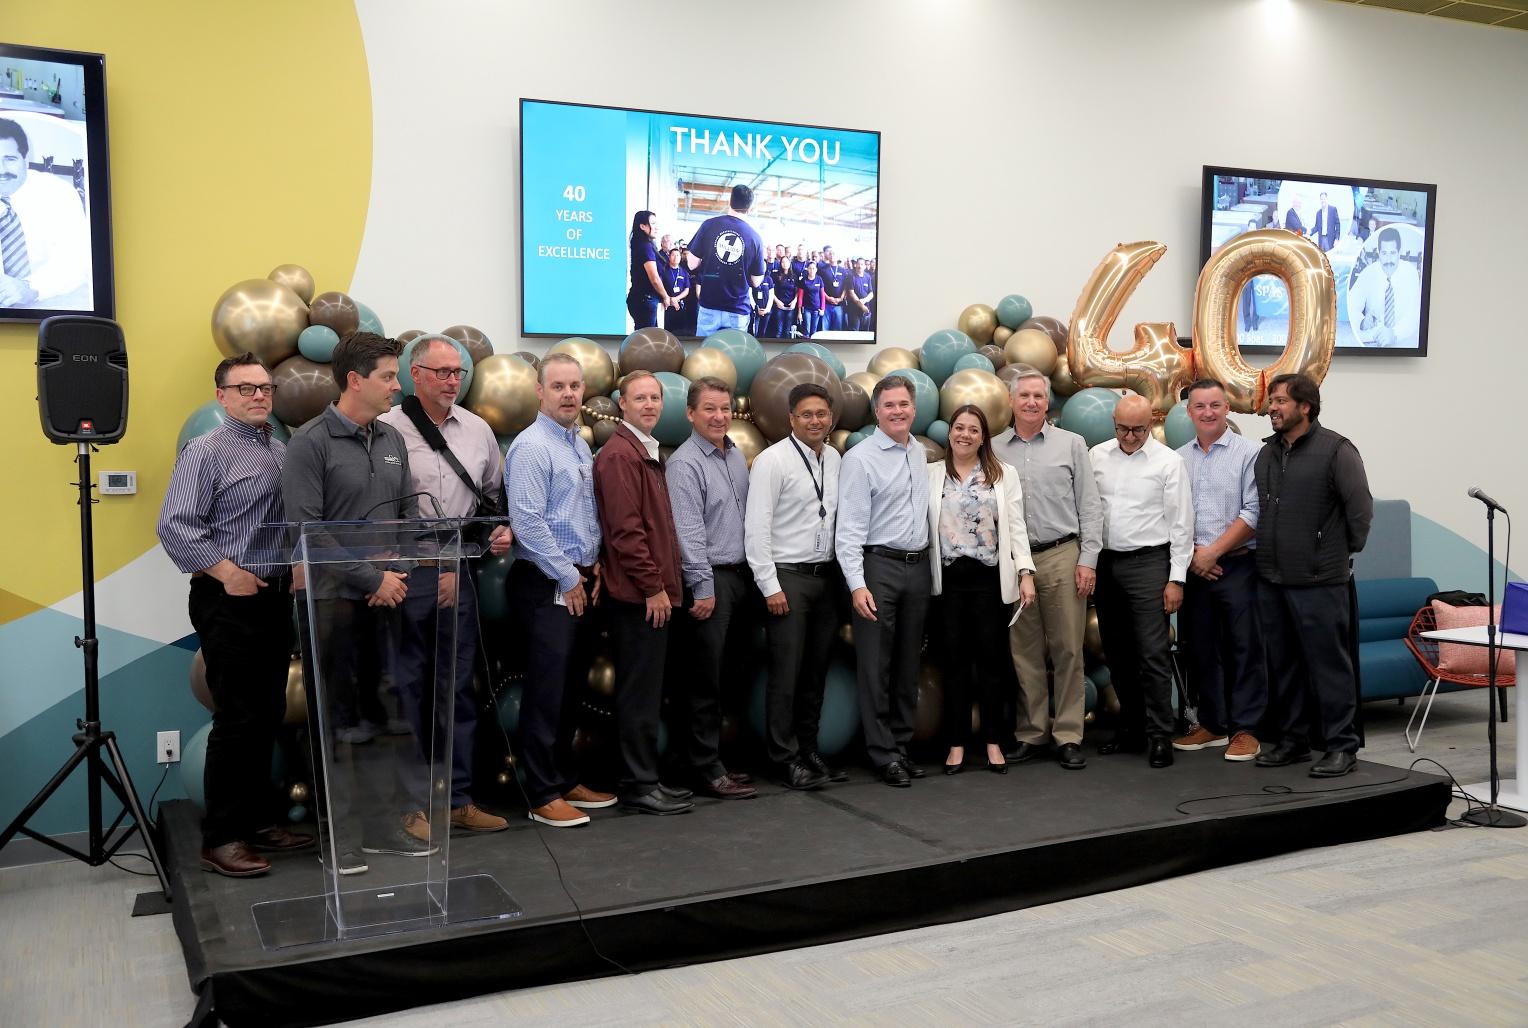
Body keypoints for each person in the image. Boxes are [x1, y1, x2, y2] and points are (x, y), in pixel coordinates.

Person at [157, 352, 311, 878]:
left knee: (267, 715)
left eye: (265, 387)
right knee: (237, 719)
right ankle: (221, 839)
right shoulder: (206, 451)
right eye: (246, 388)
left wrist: (295, 563)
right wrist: (228, 573)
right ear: (221, 396)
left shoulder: (278, 450)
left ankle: (258, 822)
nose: (258, 396)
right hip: (228, 599)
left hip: (273, 596)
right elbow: (175, 525)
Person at [282, 332, 428, 873]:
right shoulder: (310, 442)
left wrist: (400, 570)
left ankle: (381, 826)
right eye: (388, 377)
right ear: (354, 380)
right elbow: (307, 531)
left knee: (384, 719)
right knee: (337, 725)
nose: (396, 386)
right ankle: (339, 837)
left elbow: (410, 515)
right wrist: (372, 577)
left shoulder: (392, 438)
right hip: (332, 606)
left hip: (387, 600)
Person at [377, 337, 513, 834]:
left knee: (457, 688)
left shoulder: (478, 431)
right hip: (405, 570)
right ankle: (410, 805)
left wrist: (499, 529)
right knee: (406, 689)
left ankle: (459, 799)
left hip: (459, 567)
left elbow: (493, 499)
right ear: (415, 374)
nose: (453, 381)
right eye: (442, 372)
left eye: (458, 372)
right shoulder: (385, 429)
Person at [504, 353, 616, 828]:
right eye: (558, 386)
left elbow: (583, 514)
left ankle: (564, 778)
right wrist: (569, 577)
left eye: (575, 386)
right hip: (547, 582)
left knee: (570, 689)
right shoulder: (532, 447)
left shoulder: (577, 445)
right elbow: (527, 522)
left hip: (580, 580)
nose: (568, 394)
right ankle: (541, 794)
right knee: (546, 691)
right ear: (539, 391)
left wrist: (593, 565)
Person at [1253, 373, 1372, 778]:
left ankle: (1341, 746)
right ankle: (1294, 740)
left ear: (1305, 407)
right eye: (1272, 401)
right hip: (1272, 579)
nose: (1272, 408)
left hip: (1320, 582)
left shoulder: (1337, 450)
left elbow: (1360, 513)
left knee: (1329, 667)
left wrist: (1334, 553)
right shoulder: (1266, 454)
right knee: (1283, 666)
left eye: (1281, 401)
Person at [992, 365, 1102, 771]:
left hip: (1062, 555)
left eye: (1038, 396)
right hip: (1014, 561)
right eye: (1024, 395)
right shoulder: (994, 448)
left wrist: (1088, 559)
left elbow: (1090, 505)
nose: (1032, 402)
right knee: (1024, 652)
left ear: (1047, 401)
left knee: (1068, 648)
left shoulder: (1071, 444)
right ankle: (1032, 733)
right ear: (1011, 401)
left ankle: (1069, 735)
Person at [593, 371, 693, 814]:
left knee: (648, 693)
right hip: (638, 599)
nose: (650, 405)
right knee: (638, 695)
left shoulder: (645, 450)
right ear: (622, 404)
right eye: (640, 398)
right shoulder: (620, 455)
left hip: (653, 595)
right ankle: (637, 785)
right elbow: (626, 533)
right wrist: (654, 587)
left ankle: (646, 778)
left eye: (655, 398)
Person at [926, 405, 1036, 775]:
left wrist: (1025, 571)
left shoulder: (1003, 474)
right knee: (954, 663)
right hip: (948, 582)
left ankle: (993, 741)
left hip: (989, 580)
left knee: (992, 664)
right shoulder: (931, 474)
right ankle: (956, 743)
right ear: (949, 432)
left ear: (983, 437)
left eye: (974, 429)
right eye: (959, 427)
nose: (965, 435)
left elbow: (1016, 526)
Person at [745, 383, 845, 789]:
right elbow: (756, 528)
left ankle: (808, 749)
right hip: (787, 578)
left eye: (821, 414)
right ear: (791, 418)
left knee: (815, 672)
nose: (815, 421)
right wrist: (769, 586)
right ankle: (783, 759)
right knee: (786, 674)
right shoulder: (772, 461)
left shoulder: (835, 459)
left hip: (826, 578)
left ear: (831, 417)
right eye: (806, 414)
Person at [663, 377, 758, 799]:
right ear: (690, 413)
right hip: (709, 581)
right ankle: (703, 769)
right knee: (702, 681)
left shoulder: (735, 456)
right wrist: (702, 587)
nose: (719, 416)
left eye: (725, 409)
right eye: (709, 409)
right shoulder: (684, 464)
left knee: (726, 675)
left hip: (739, 578)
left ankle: (707, 761)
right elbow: (688, 534)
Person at [836, 376, 932, 787]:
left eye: (903, 404)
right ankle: (882, 753)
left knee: (908, 664)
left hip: (918, 568)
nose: (897, 411)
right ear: (877, 411)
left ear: (914, 409)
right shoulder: (860, 459)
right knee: (876, 666)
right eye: (889, 405)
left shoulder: (919, 452)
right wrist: (857, 584)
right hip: (879, 568)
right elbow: (849, 530)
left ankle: (901, 745)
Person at [1089, 395, 1193, 768]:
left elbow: (1181, 524)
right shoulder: (1097, 456)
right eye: (1123, 429)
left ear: (1151, 424)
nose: (1130, 437)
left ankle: (1160, 735)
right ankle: (1131, 728)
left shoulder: (1168, 462)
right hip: (1106, 562)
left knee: (1152, 653)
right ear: (1113, 422)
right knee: (1117, 653)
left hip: (1149, 563)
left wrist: (1176, 579)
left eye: (1138, 430)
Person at [1173, 378, 1266, 762]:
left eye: (1215, 405)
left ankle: (1246, 730)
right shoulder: (1178, 458)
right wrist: (1197, 555)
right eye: (1200, 406)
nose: (1208, 412)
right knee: (1201, 649)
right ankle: (1213, 723)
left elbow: (1254, 512)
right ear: (1189, 412)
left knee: (1244, 649)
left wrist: (1213, 552)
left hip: (1239, 565)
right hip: (1194, 568)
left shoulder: (1250, 453)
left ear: (1227, 408)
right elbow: (1173, 515)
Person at [0, 117, 91, 309]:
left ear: (26, 160)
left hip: (52, 303)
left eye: (10, 159)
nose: (1, 170)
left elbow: (77, 262)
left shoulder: (58, 193)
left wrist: (31, 288)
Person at [685, 184, 766, 337]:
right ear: (750, 208)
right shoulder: (755, 238)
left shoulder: (708, 225)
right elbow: (756, 281)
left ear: (730, 201)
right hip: (738, 308)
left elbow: (691, 264)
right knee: (733, 351)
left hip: (709, 304)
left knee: (705, 350)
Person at [1351, 227, 1421, 348]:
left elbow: (1414, 314)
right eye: (1384, 253)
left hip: (1403, 343)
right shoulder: (1368, 273)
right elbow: (1351, 305)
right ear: (1379, 252)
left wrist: (1395, 334)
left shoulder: (1411, 273)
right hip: (1372, 343)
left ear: (1399, 252)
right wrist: (1362, 321)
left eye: (1392, 253)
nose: (1388, 260)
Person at [627, 210, 670, 331]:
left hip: (642, 299)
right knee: (647, 338)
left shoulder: (644, 244)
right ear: (642, 226)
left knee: (645, 336)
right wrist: (665, 296)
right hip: (645, 300)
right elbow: (654, 278)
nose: (657, 227)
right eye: (653, 223)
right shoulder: (645, 247)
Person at [662, 247, 695, 337]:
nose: (675, 257)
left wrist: (676, 299)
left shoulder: (683, 272)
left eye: (677, 255)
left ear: (680, 258)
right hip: (666, 305)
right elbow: (660, 286)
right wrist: (668, 298)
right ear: (669, 257)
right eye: (673, 255)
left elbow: (687, 289)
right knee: (666, 332)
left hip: (679, 305)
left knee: (679, 332)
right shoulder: (663, 270)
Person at [769, 257, 798, 340]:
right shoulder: (776, 275)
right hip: (779, 306)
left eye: (786, 262)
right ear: (780, 264)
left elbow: (797, 291)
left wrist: (794, 301)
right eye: (783, 262)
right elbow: (771, 291)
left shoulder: (794, 276)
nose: (785, 264)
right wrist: (777, 301)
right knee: (779, 331)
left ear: (790, 263)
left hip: (790, 306)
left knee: (787, 331)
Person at [1239, 219, 1260, 332]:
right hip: (1246, 274)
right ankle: (1247, 322)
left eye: (1254, 227)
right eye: (1251, 227)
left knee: (1257, 300)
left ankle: (1255, 321)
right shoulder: (1243, 241)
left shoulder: (1259, 242)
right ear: (1248, 228)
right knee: (1246, 300)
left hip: (1257, 274)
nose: (1252, 229)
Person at [820, 249, 848, 332]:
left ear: (838, 257)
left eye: (834, 254)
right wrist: (828, 298)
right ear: (828, 256)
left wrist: (841, 298)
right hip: (826, 305)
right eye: (830, 254)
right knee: (825, 330)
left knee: (837, 330)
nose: (832, 255)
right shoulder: (822, 270)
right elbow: (820, 287)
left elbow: (846, 287)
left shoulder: (843, 270)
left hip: (839, 305)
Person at [797, 261, 825, 338]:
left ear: (816, 270)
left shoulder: (819, 279)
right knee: (807, 330)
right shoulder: (803, 280)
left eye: (813, 268)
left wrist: (822, 309)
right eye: (810, 268)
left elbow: (822, 295)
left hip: (817, 309)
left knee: (814, 331)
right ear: (807, 269)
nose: (812, 270)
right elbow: (800, 297)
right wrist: (799, 312)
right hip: (807, 309)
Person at [847, 259, 875, 332]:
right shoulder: (851, 277)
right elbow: (851, 293)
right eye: (858, 264)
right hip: (854, 311)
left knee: (865, 334)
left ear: (865, 266)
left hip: (866, 310)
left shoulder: (868, 277)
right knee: (854, 333)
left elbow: (871, 293)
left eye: (862, 264)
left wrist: (864, 300)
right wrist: (862, 306)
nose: (860, 266)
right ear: (855, 265)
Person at [749, 271, 774, 340]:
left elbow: (771, 295)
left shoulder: (768, 279)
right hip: (755, 310)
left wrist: (767, 309)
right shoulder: (752, 278)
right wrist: (755, 308)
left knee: (763, 332)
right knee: (754, 332)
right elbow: (750, 295)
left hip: (766, 310)